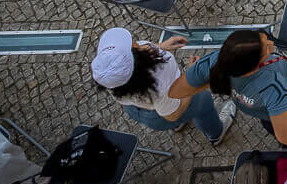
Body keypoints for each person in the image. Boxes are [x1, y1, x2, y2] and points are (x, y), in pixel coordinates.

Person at [167, 29, 287, 147]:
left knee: (270, 123)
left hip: (259, 110)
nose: (271, 44)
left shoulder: (214, 61)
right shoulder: (273, 84)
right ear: (251, 68)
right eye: (266, 49)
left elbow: (176, 92)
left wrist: (199, 80)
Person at [93, 28, 236, 144]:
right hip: (162, 114)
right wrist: (192, 75)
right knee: (203, 101)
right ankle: (216, 133)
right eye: (132, 45)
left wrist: (160, 47)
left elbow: (140, 53)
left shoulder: (106, 73)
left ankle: (179, 125)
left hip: (136, 108)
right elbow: (173, 114)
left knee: (171, 110)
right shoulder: (159, 79)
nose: (133, 40)